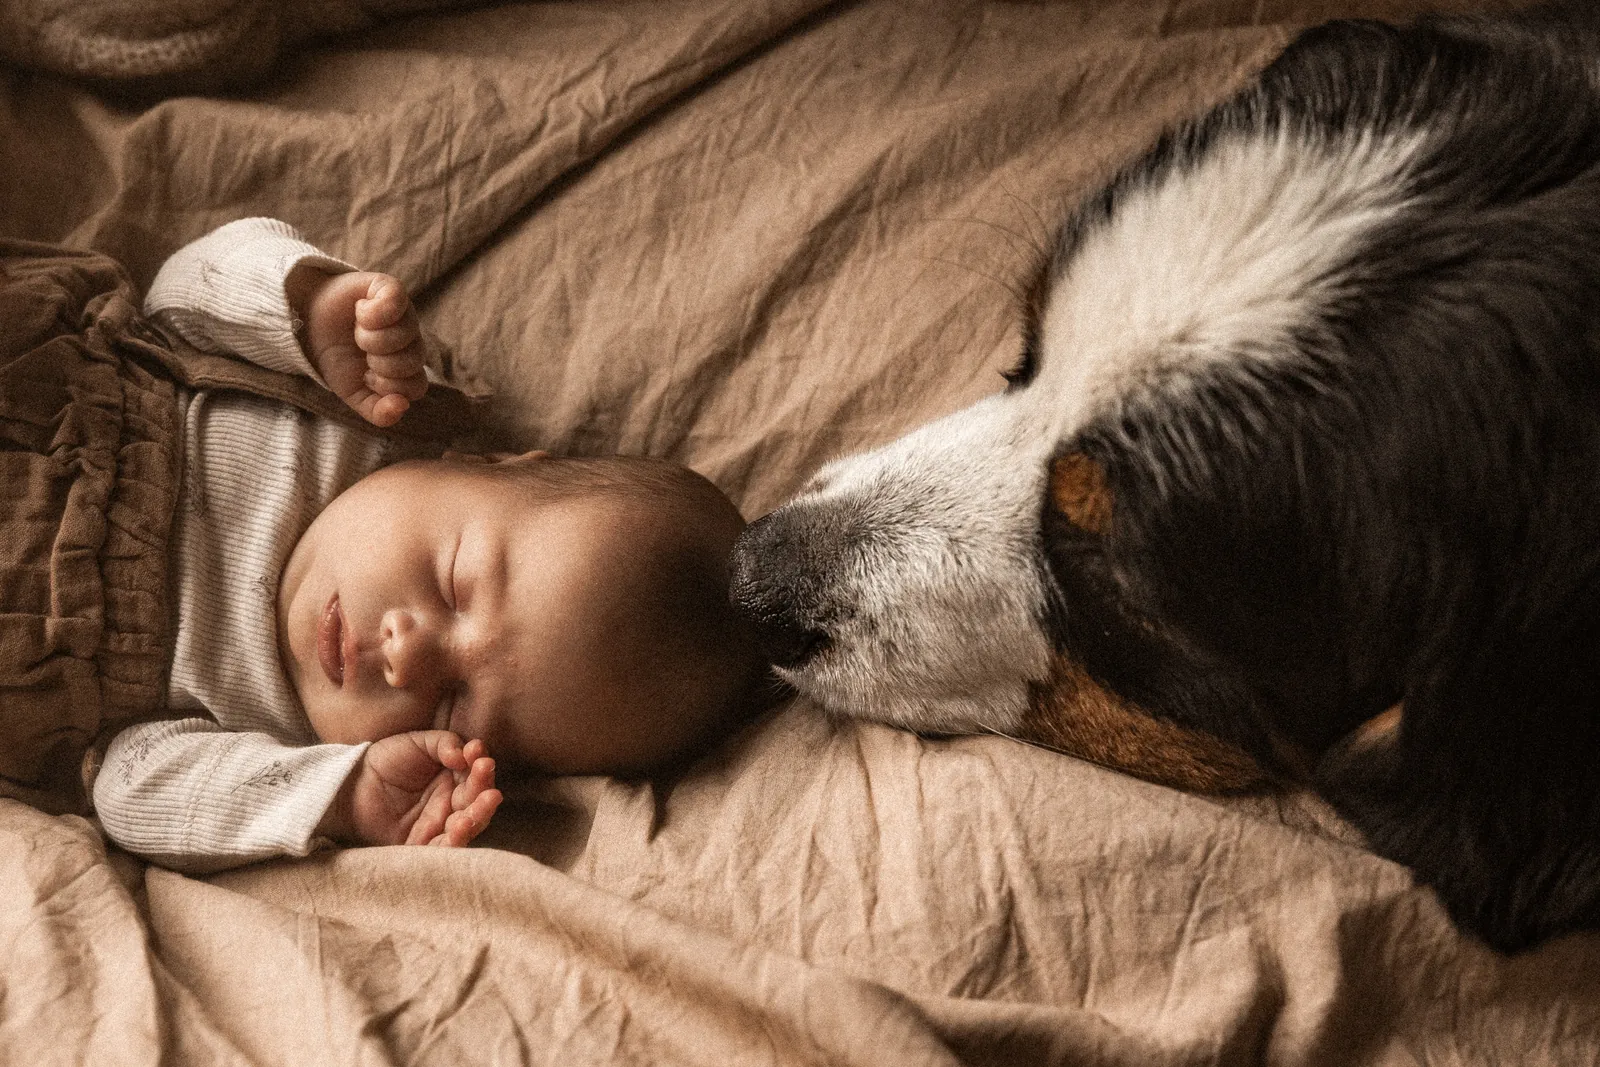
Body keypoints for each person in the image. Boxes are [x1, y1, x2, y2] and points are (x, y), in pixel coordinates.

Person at [88, 219, 760, 873]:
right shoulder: (368, 403)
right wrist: (308, 310)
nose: (406, 654)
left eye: (453, 705)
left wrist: (341, 798)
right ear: (485, 463)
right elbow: (175, 298)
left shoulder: (283, 744)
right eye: (453, 582)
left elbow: (126, 790)